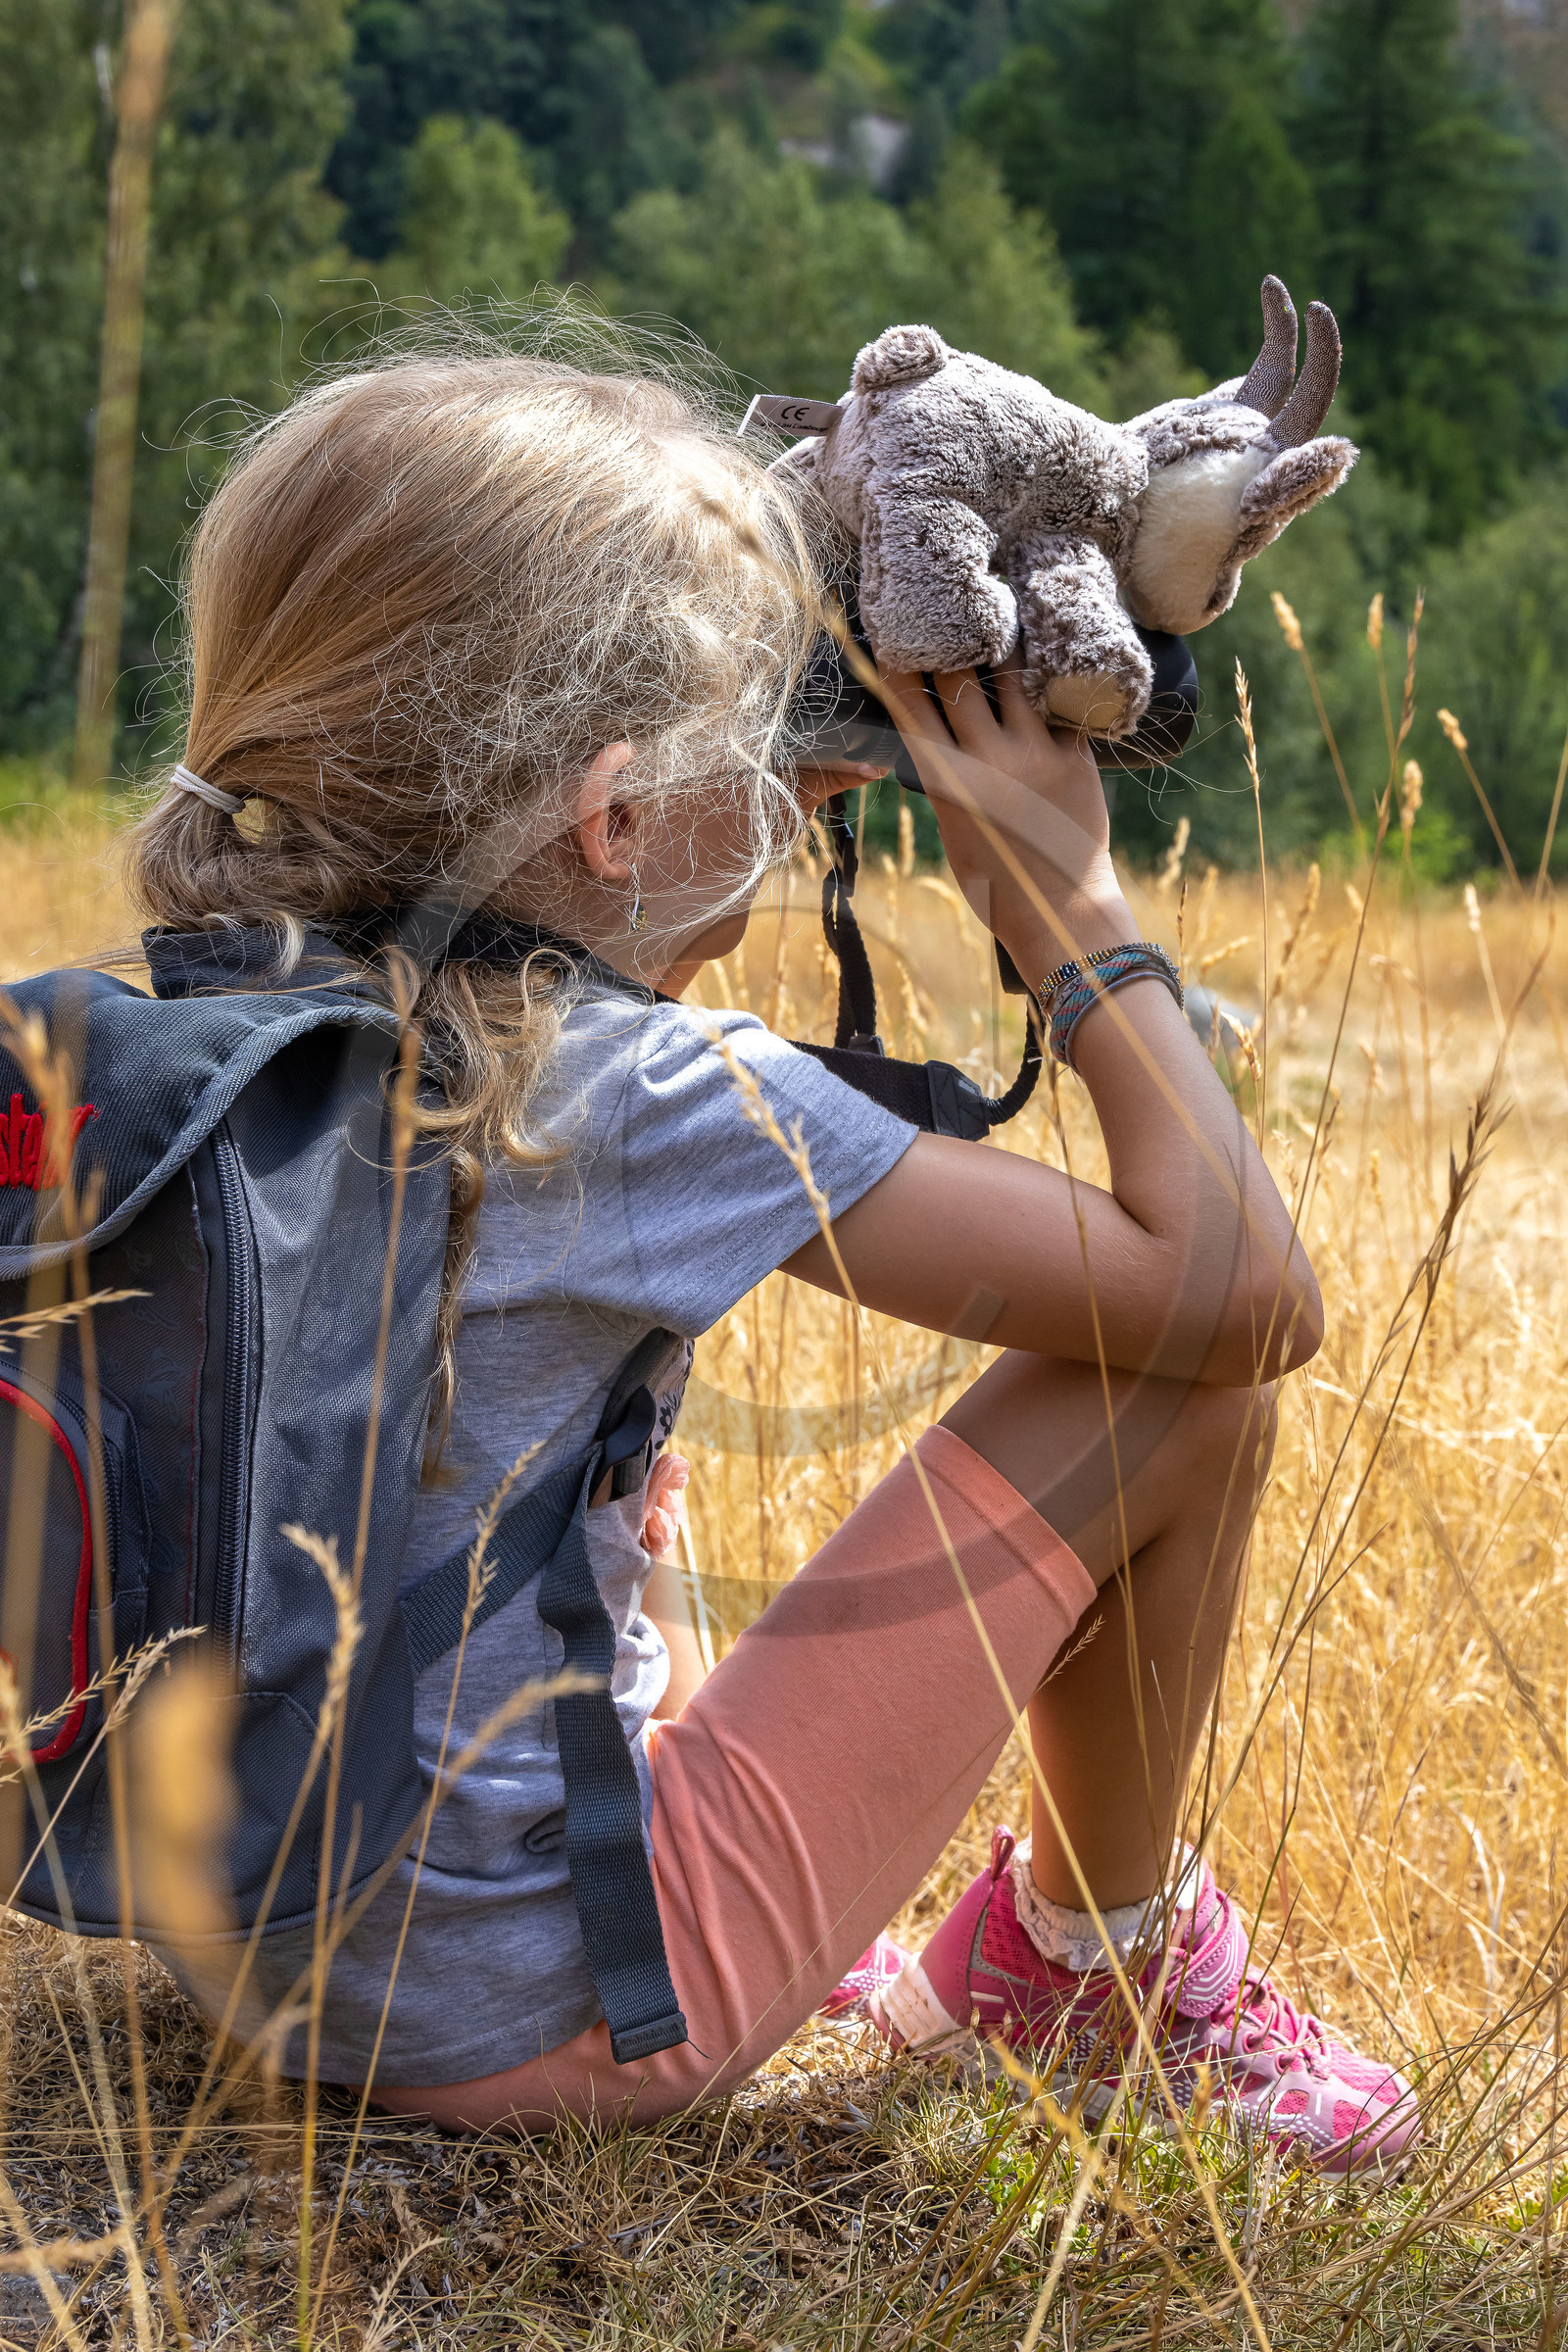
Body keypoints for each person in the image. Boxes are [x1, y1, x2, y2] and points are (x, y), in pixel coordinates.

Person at [130, 337, 1418, 2175]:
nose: (822, 781)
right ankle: (1095, 1973)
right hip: (539, 2016)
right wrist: (1072, 912)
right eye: (775, 736)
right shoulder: (629, 1087)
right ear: (619, 813)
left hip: (256, 1948)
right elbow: (1241, 1297)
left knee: (580, 1452)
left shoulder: (224, 1023)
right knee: (1165, 1396)